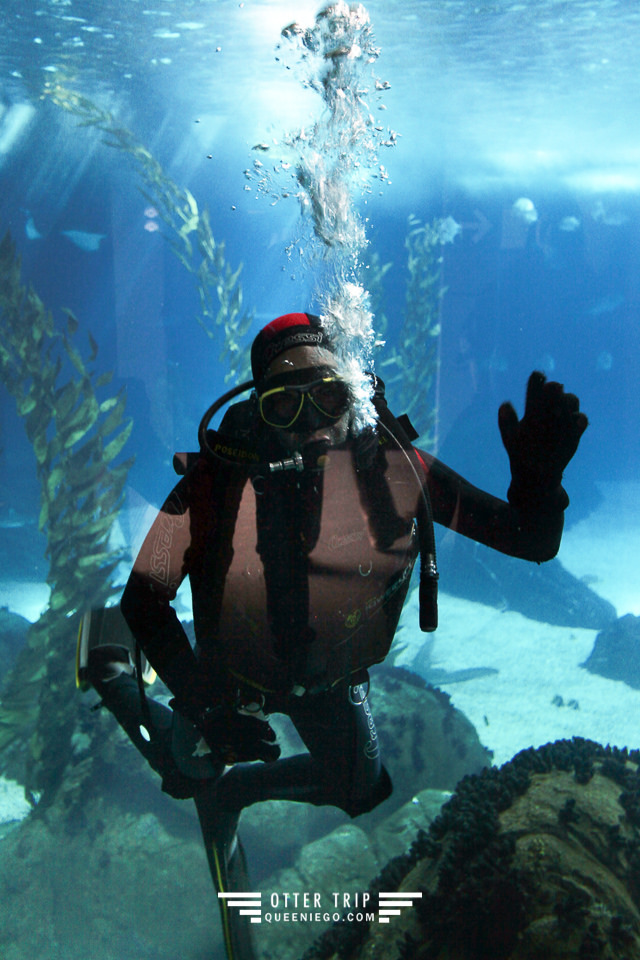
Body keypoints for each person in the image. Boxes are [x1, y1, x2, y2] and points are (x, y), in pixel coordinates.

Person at [83, 311, 587, 951]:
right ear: (256, 411)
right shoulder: (211, 486)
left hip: (329, 675)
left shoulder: (400, 471)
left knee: (362, 788)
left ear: (353, 392)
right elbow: (143, 598)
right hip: (228, 682)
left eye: (327, 396)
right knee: (183, 773)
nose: (311, 427)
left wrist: (540, 486)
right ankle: (109, 668)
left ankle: (234, 789)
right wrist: (205, 706)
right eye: (283, 407)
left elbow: (531, 539)